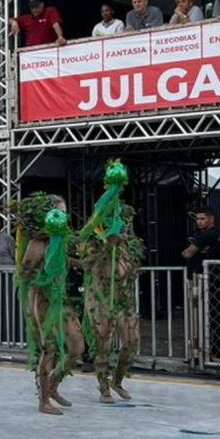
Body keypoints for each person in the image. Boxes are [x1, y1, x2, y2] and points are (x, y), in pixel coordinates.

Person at [76, 163, 142, 404]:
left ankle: (118, 380)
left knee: (132, 343)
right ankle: (103, 386)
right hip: (102, 298)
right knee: (103, 341)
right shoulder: (95, 242)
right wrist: (108, 246)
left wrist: (125, 246)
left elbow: (133, 266)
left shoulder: (128, 245)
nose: (125, 227)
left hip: (123, 298)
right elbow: (89, 265)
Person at [14, 193, 83, 415]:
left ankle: (53, 384)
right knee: (50, 348)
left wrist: (81, 263)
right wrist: (42, 277)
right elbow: (25, 272)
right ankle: (43, 399)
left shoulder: (58, 240)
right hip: (41, 300)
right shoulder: (37, 243)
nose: (64, 217)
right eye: (60, 213)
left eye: (64, 213)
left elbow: (61, 260)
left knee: (77, 346)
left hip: (60, 298)